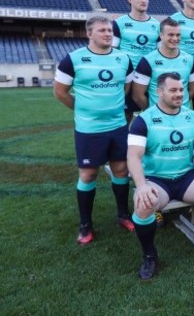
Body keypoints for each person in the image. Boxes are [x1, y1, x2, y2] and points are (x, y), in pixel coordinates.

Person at [127, 73, 194, 280]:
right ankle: (150, 256)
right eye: (173, 90)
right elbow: (133, 156)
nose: (179, 94)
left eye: (181, 90)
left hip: (187, 178)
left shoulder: (193, 116)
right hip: (157, 180)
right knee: (144, 204)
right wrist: (141, 186)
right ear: (159, 92)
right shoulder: (143, 121)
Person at [53, 16, 134, 245]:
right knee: (88, 174)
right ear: (89, 33)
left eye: (109, 30)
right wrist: (82, 112)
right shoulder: (73, 59)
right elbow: (60, 92)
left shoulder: (123, 58)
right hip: (89, 130)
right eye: (102, 30)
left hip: (118, 126)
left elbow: (125, 88)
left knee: (121, 170)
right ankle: (86, 224)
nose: (108, 34)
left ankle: (123, 215)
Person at [111, 0, 160, 122]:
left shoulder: (156, 25)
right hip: (127, 76)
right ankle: (123, 143)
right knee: (125, 116)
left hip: (150, 77)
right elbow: (113, 52)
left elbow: (160, 52)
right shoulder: (119, 23)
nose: (144, 0)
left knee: (153, 113)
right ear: (130, 0)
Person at [132, 18, 194, 110]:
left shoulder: (190, 59)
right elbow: (138, 95)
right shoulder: (147, 61)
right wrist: (153, 112)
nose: (175, 38)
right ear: (161, 35)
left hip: (183, 116)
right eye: (170, 35)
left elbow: (192, 91)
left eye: (178, 35)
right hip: (157, 119)